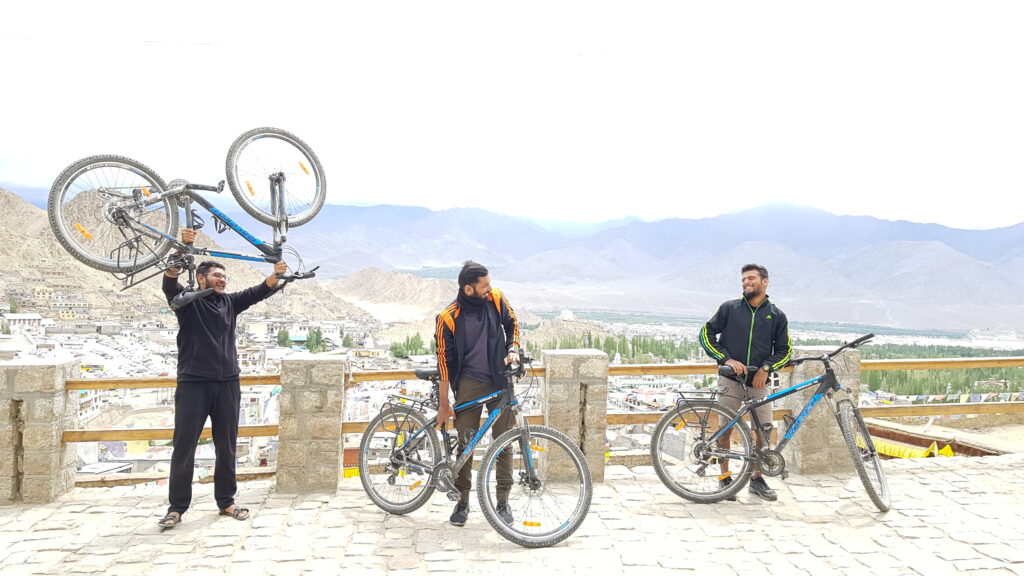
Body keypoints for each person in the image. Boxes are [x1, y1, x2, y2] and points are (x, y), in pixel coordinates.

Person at [157, 228, 287, 528]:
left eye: (225, 276)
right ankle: (176, 508)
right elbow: (170, 279)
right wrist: (183, 247)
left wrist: (277, 273)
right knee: (184, 446)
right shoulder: (187, 301)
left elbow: (260, 291)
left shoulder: (230, 302)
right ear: (201, 278)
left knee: (226, 446)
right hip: (193, 383)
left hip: (228, 383)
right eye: (216, 275)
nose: (222, 279)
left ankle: (226, 502)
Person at [434, 261, 520, 526]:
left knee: (503, 443)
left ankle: (503, 502)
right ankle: (462, 502)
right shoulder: (448, 317)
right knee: (466, 445)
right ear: (469, 288)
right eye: (484, 285)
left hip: (499, 381)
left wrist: (513, 349)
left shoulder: (496, 299)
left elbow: (513, 324)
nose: (490, 288)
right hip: (469, 384)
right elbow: (443, 362)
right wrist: (444, 403)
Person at [699, 263, 792, 502]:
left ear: (765, 282)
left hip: (759, 383)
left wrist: (767, 367)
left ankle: (756, 479)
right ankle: (725, 477)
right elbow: (705, 334)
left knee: (763, 430)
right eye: (743, 279)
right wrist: (726, 359)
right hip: (730, 379)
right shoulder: (729, 309)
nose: (746, 282)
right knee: (725, 428)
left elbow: (785, 351)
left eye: (751, 278)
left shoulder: (776, 315)